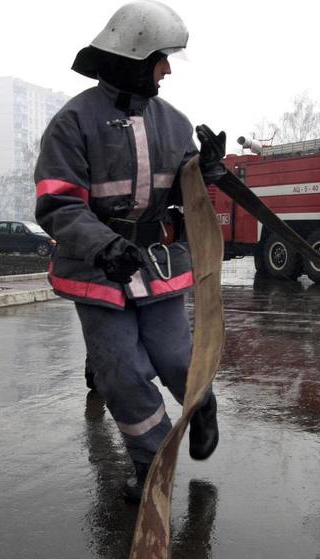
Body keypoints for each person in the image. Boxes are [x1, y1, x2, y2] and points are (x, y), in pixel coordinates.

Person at [34, 0, 221, 503]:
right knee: (122, 374)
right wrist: (104, 245)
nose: (166, 70)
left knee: (178, 360)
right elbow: (57, 203)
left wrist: (209, 172)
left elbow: (184, 196)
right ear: (137, 55)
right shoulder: (73, 122)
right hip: (99, 272)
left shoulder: (175, 123)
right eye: (162, 58)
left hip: (156, 267)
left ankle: (201, 404)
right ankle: (152, 465)